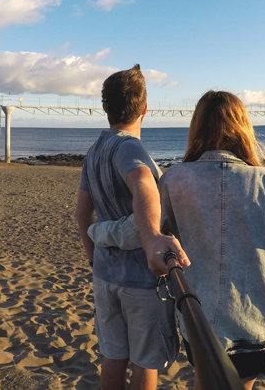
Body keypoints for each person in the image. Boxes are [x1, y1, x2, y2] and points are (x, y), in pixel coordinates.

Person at [160, 90, 265, 389]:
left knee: (205, 379)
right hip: (254, 320)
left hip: (199, 319)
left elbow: (153, 238)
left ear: (196, 128)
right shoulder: (264, 181)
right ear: (242, 127)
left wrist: (99, 230)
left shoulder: (174, 180)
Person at [75, 64, 189, 390]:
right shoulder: (129, 146)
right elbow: (142, 180)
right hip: (140, 279)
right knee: (145, 362)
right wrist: (152, 236)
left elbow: (83, 214)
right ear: (144, 109)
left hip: (105, 276)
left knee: (114, 358)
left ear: (105, 107)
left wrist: (93, 259)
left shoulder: (94, 151)